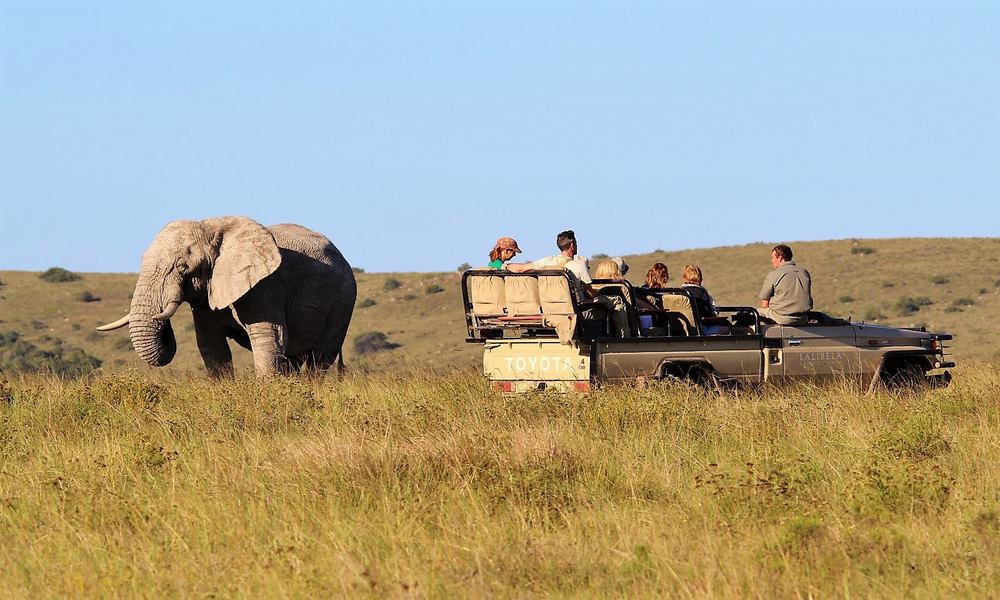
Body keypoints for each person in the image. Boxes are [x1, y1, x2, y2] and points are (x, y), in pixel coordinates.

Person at [508, 230, 630, 337]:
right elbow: (591, 294)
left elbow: (520, 268)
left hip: (551, 309)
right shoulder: (579, 265)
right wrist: (602, 291)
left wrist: (503, 266)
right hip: (576, 309)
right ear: (572, 245)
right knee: (617, 301)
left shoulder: (547, 261)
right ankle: (624, 338)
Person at [759, 244, 813, 325]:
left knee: (755, 313)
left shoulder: (774, 274)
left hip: (781, 317)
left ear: (780, 258)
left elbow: (765, 304)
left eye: (773, 257)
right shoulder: (804, 272)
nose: (772, 260)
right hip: (803, 318)